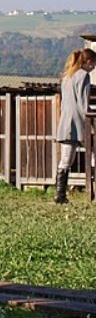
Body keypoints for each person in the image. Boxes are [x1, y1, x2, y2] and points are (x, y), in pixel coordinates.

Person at [54, 47, 96, 204]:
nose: (93, 68)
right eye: (94, 65)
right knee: (93, 154)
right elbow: (84, 103)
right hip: (80, 122)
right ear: (89, 62)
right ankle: (93, 189)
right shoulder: (84, 76)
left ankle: (60, 194)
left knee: (65, 160)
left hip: (66, 122)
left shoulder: (67, 76)